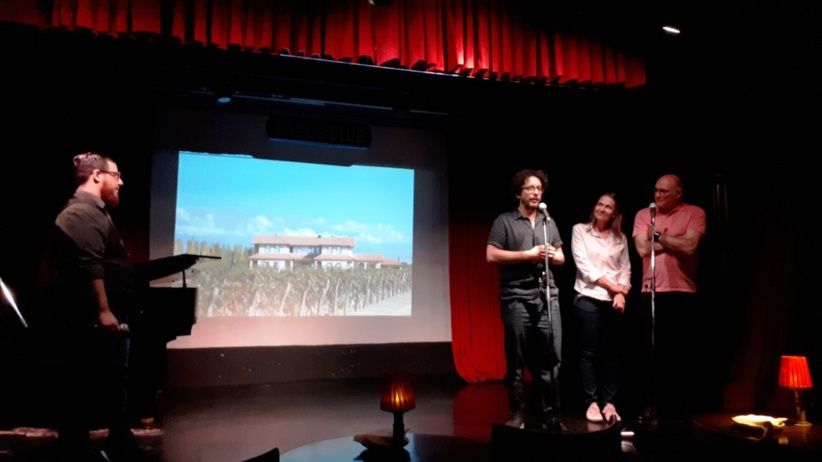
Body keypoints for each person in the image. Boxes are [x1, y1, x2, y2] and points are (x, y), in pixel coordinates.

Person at [52, 152, 142, 461]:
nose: (121, 182)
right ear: (97, 176)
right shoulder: (80, 213)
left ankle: (117, 441)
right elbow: (89, 265)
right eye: (116, 176)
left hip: (105, 319)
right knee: (85, 386)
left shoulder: (96, 213)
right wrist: (104, 310)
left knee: (113, 381)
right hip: (92, 321)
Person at [486, 169, 565, 430]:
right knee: (517, 359)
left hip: (546, 296)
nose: (535, 192)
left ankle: (548, 413)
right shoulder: (505, 221)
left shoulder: (547, 221)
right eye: (530, 188)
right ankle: (518, 413)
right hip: (516, 297)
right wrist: (528, 255)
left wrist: (551, 254)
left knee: (550, 357)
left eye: (539, 188)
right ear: (518, 192)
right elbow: (492, 255)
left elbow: (562, 258)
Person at [632, 174, 705, 432]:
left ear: (678, 193)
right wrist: (674, 239)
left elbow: (690, 246)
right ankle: (653, 409)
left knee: (680, 355)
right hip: (651, 292)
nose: (658, 195)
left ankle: (681, 414)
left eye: (664, 191)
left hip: (683, 292)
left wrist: (659, 238)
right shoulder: (645, 214)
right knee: (652, 354)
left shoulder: (695, 212)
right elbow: (642, 248)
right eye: (656, 190)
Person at [570, 193, 631, 423]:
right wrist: (615, 288)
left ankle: (610, 403)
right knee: (589, 352)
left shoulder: (620, 237)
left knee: (612, 353)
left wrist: (622, 292)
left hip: (615, 299)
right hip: (588, 297)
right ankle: (591, 402)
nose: (602, 209)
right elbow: (585, 268)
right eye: (599, 204)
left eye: (607, 207)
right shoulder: (580, 230)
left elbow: (626, 268)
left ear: (614, 213)